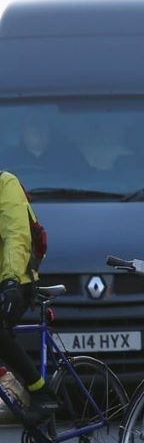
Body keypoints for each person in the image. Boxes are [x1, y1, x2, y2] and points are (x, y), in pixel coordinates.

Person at [0, 169, 59, 423]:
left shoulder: (5, 183)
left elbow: (16, 236)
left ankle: (40, 390)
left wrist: (11, 280)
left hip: (16, 282)